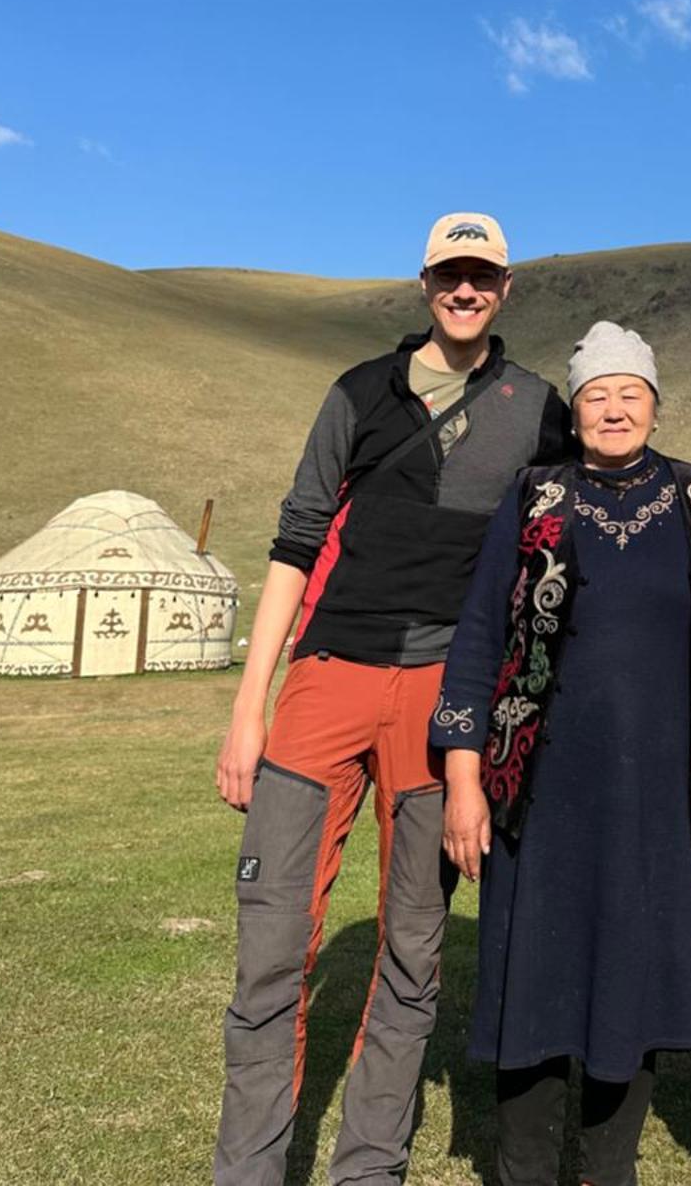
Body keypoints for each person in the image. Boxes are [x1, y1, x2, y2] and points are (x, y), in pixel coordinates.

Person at [212, 213, 570, 1186]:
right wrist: (250, 708)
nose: (466, 288)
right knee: (272, 945)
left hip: (442, 702)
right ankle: (245, 1169)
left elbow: (595, 512)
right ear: (425, 281)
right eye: (450, 272)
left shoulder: (539, 407)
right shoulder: (360, 391)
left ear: (505, 284)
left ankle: (367, 1168)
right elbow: (295, 542)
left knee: (413, 953)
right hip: (325, 680)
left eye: (482, 274)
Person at [433, 320, 691, 1186]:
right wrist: (463, 778)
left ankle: (608, 1169)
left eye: (629, 393)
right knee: (534, 979)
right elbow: (481, 630)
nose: (612, 409)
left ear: (654, 404)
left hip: (654, 791)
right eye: (596, 394)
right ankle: (523, 1170)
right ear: (578, 408)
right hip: (536, 784)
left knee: (628, 981)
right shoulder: (537, 496)